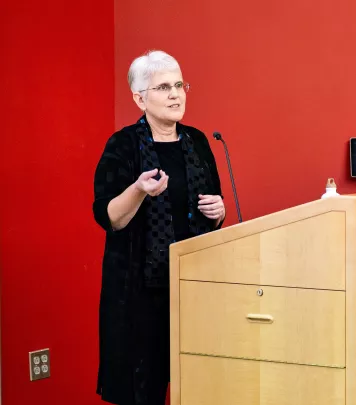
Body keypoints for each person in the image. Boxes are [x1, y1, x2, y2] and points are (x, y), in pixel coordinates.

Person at [92, 50, 225, 405]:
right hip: (140, 296)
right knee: (143, 391)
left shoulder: (197, 142)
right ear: (139, 97)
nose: (175, 94)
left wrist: (219, 209)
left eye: (180, 85)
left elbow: (213, 208)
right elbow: (109, 216)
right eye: (163, 86)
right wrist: (137, 190)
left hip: (195, 288)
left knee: (200, 385)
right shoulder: (122, 145)